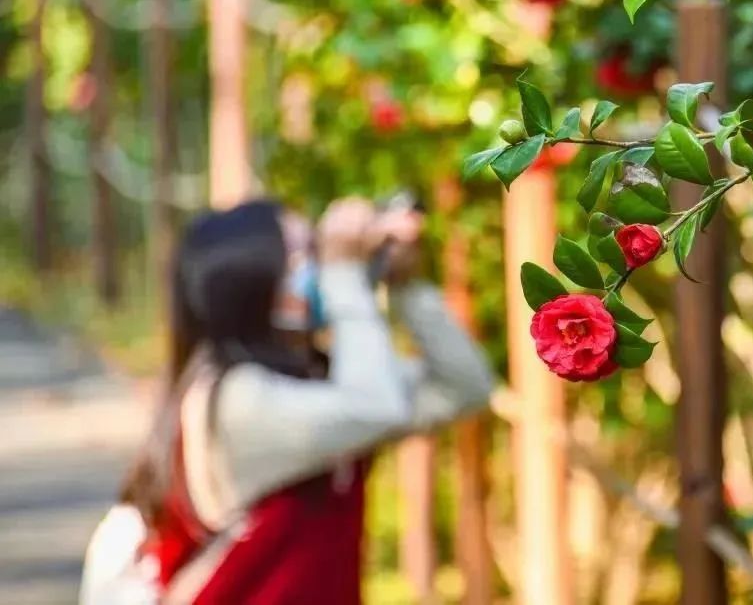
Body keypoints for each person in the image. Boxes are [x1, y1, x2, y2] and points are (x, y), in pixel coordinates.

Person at [79, 197, 494, 605]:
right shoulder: (237, 401)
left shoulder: (314, 379)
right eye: (304, 255)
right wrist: (346, 274)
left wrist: (404, 286)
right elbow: (375, 407)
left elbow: (464, 387)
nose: (319, 266)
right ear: (252, 284)